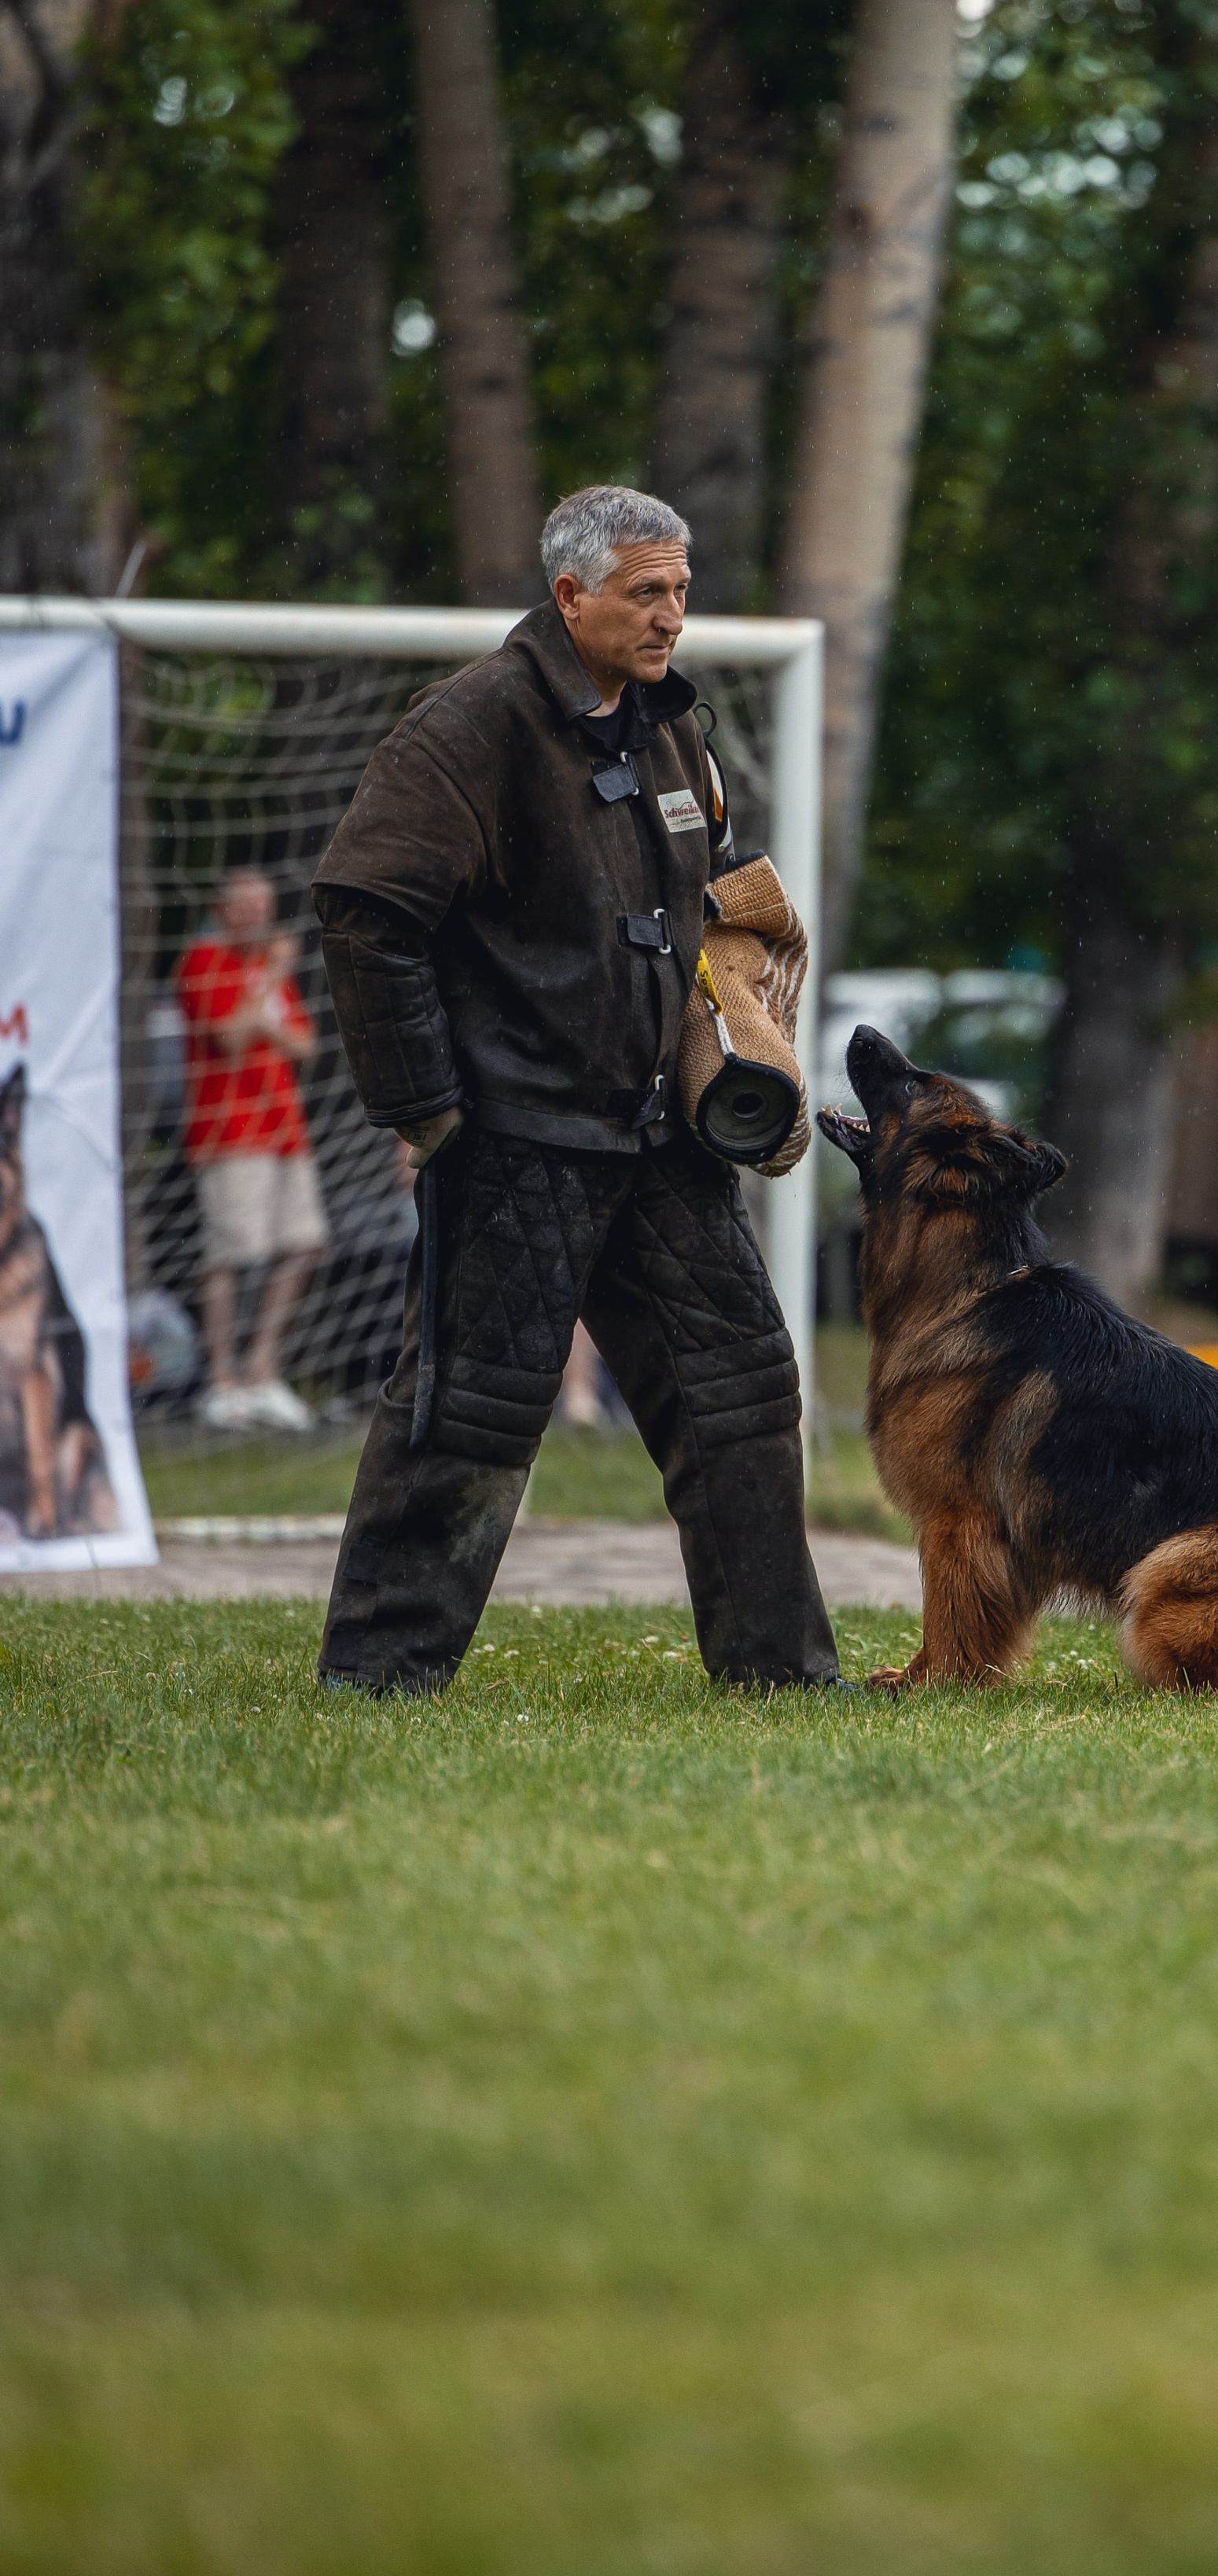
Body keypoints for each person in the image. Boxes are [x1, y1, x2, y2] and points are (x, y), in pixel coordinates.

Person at [309, 483, 844, 1698]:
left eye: (682, 592)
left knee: (745, 1395)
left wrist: (738, 990)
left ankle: (782, 1677)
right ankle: (381, 1680)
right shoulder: (472, 725)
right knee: (470, 1413)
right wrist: (426, 1107)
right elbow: (365, 910)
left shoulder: (668, 724)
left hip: (664, 1142)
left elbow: (690, 888)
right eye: (645, 592)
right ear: (570, 596)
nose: (671, 618)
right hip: (517, 1140)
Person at [175, 869, 328, 1433]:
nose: (256, 917)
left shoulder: (264, 971)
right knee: (233, 1254)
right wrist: (270, 981)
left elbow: (305, 1044)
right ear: (222, 908)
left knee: (303, 1244)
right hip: (229, 1133)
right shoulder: (204, 962)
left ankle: (261, 1371)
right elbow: (231, 1038)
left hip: (285, 1128)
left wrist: (266, 1003)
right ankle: (221, 1382)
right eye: (243, 907)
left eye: (262, 907)